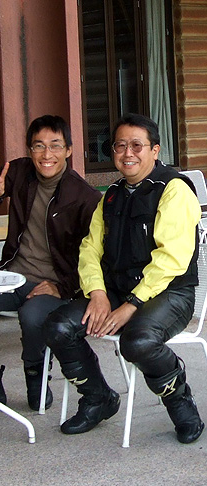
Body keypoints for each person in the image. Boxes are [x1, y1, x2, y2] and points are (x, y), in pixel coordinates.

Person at [43, 113, 205, 444]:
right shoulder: (112, 194)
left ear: (155, 150)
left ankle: (180, 402)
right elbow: (90, 249)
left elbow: (171, 260)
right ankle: (98, 398)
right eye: (120, 145)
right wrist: (97, 293)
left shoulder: (174, 190)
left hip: (170, 294)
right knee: (58, 326)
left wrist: (131, 305)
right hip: (117, 290)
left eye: (136, 145)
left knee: (138, 341)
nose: (127, 153)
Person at [0, 114, 102, 415]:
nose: (46, 154)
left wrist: (62, 287)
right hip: (11, 277)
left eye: (55, 145)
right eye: (39, 146)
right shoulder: (18, 173)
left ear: (68, 150)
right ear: (30, 150)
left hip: (53, 286)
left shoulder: (84, 198)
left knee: (31, 316)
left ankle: (36, 373)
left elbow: (94, 256)